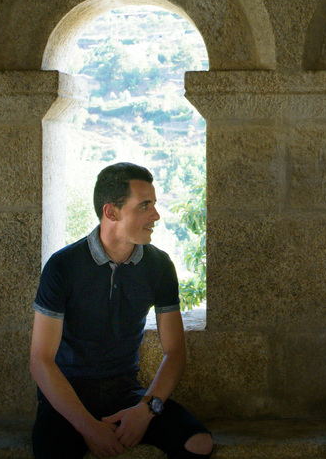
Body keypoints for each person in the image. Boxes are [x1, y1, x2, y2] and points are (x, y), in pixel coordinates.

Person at [29, 162, 213, 459]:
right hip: (67, 398)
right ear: (111, 212)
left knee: (199, 444)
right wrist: (87, 426)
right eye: (144, 206)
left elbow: (176, 352)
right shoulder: (63, 266)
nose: (156, 216)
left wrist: (146, 410)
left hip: (126, 392)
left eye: (154, 205)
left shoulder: (159, 265)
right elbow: (40, 360)